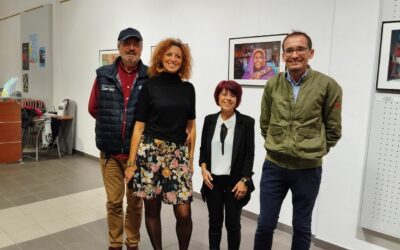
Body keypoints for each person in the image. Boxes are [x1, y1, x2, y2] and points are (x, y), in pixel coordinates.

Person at [254, 31, 342, 250]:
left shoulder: (328, 86)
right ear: (283, 55)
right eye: (290, 50)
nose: (295, 54)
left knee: (302, 227)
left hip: (307, 169)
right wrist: (279, 145)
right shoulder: (272, 85)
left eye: (300, 49)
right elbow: (265, 122)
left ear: (310, 53)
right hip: (274, 166)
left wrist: (313, 149)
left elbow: (333, 130)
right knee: (265, 224)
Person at [125, 38, 196, 250]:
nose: (173, 59)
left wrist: (190, 160)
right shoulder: (149, 87)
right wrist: (131, 163)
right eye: (169, 55)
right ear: (161, 58)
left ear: (183, 62)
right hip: (150, 153)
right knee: (152, 210)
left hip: (177, 154)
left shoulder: (188, 89)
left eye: (178, 56)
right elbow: (138, 127)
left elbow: (191, 127)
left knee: (184, 212)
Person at [88, 27, 148, 250]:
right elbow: (93, 108)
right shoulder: (103, 74)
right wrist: (113, 125)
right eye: (127, 43)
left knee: (135, 203)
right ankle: (115, 243)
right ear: (119, 46)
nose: (131, 48)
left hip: (137, 156)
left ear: (141, 47)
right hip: (110, 154)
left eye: (135, 44)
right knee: (114, 203)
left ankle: (132, 243)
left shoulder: (149, 77)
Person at [199, 80, 255, 250]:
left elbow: (249, 154)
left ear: (237, 99)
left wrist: (244, 180)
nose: (228, 98)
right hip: (213, 181)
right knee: (214, 224)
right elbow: (203, 149)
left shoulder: (246, 123)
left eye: (232, 95)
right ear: (218, 97)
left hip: (235, 183)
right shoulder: (209, 120)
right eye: (224, 94)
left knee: (233, 225)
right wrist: (203, 169)